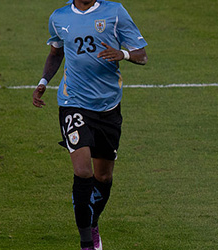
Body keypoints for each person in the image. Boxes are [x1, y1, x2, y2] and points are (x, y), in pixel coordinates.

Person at [31, 0, 147, 249]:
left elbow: (142, 55)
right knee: (83, 171)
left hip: (108, 107)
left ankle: (92, 224)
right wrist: (43, 81)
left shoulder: (115, 12)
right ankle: (86, 242)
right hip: (73, 102)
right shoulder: (59, 18)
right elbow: (56, 52)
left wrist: (123, 54)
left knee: (103, 176)